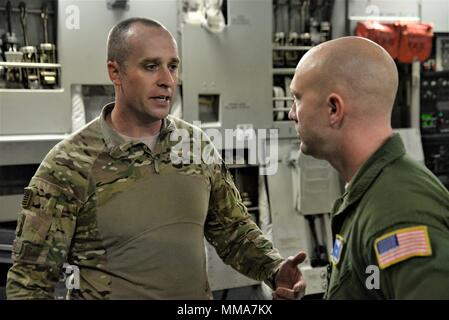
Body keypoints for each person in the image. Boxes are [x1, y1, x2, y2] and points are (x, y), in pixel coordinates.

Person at [6, 17, 306, 300]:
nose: (167, 80)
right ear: (115, 72)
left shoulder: (195, 147)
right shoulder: (68, 164)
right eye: (151, 66)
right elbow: (30, 281)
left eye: (173, 66)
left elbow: (233, 231)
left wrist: (275, 269)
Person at [288, 36, 449, 299]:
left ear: (333, 108)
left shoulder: (398, 214)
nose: (291, 113)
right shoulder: (374, 193)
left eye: (297, 98)